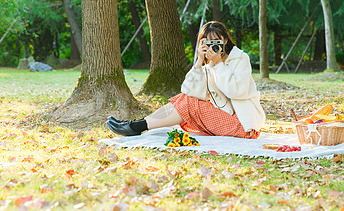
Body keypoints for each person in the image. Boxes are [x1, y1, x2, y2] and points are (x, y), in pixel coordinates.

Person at [106, 21, 265, 139]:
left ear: (225, 41)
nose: (213, 46)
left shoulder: (240, 58)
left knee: (188, 102)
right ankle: (136, 124)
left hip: (244, 126)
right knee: (184, 99)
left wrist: (217, 64)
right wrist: (199, 61)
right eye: (208, 43)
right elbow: (188, 92)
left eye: (217, 41)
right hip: (225, 118)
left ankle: (136, 127)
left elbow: (236, 92)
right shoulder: (210, 65)